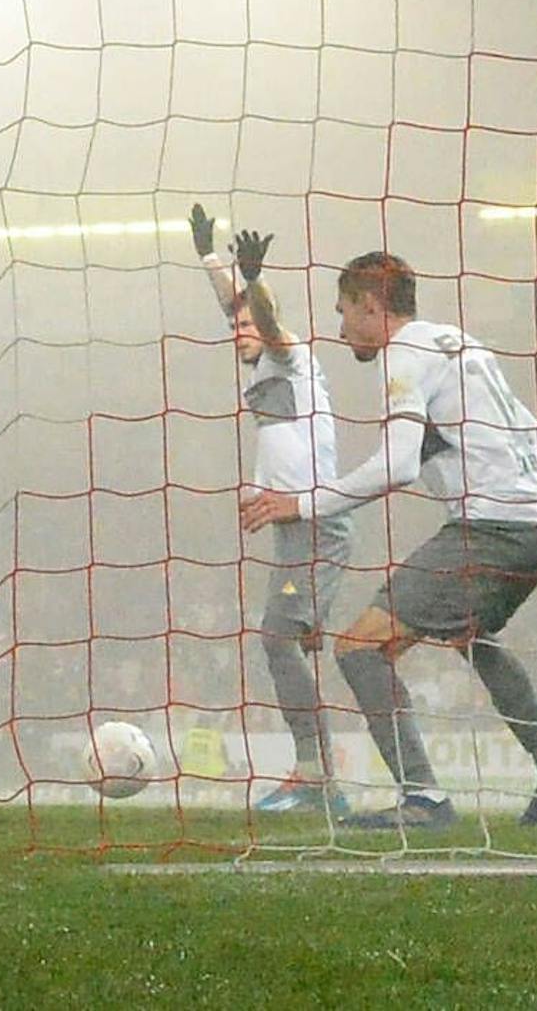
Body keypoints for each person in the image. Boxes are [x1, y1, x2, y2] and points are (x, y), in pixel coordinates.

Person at [241, 250, 537, 829]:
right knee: (471, 635)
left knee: (358, 648)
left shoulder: (401, 356)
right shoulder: (459, 342)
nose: (340, 325)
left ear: (373, 307)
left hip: (495, 528)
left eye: (345, 311)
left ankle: (422, 798)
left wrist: (301, 502)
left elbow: (397, 466)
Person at [189, 207, 351, 816]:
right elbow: (239, 314)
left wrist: (255, 282)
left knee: (278, 638)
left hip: (319, 525)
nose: (238, 332)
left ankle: (317, 778)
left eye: (244, 327)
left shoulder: (293, 358)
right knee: (289, 640)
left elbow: (268, 321)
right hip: (292, 530)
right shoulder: (257, 367)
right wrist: (212, 261)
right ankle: (317, 775)